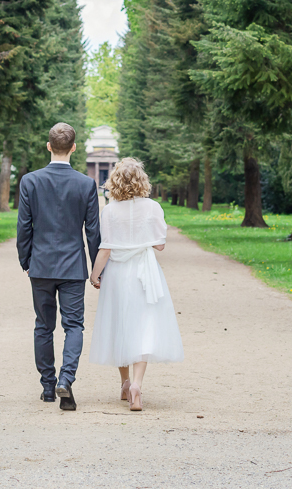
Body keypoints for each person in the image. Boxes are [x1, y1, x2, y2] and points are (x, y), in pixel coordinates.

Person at [16, 122, 101, 411]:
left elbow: (24, 227)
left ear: (49, 146)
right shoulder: (86, 184)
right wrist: (95, 268)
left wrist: (25, 260)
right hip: (73, 267)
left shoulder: (30, 181)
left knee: (43, 325)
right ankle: (67, 379)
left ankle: (48, 387)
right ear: (74, 148)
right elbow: (93, 231)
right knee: (74, 325)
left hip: (40, 265)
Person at [88, 157, 184, 411]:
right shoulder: (153, 207)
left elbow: (105, 248)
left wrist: (95, 275)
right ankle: (137, 385)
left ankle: (124, 382)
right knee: (143, 326)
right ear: (142, 181)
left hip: (119, 273)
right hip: (145, 271)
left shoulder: (109, 210)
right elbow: (160, 244)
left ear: (115, 182)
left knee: (120, 324)